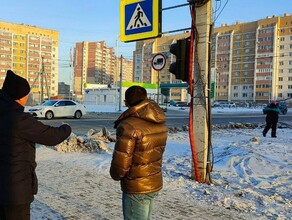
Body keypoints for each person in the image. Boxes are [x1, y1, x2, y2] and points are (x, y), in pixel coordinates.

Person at [0, 70, 72, 220]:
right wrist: (66, 128)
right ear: (19, 97)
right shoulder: (19, 119)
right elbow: (52, 136)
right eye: (26, 94)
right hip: (15, 192)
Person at [110, 86, 168, 220]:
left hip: (136, 186)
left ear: (126, 103)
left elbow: (121, 162)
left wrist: (116, 174)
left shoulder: (129, 126)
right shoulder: (160, 121)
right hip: (153, 181)